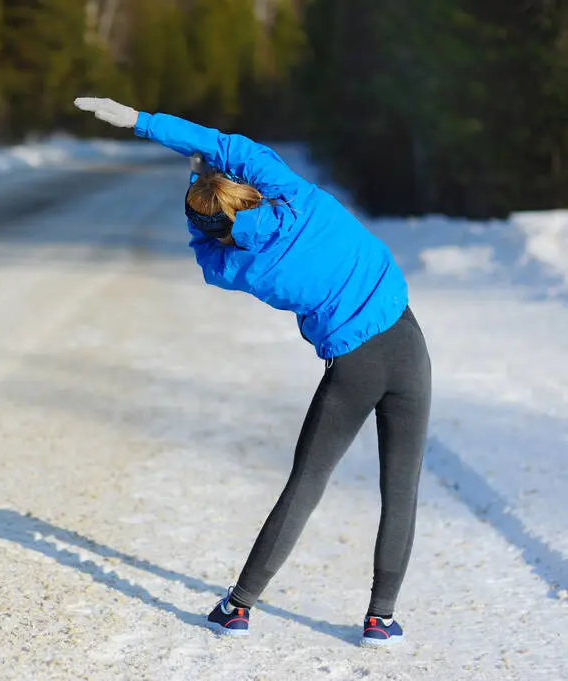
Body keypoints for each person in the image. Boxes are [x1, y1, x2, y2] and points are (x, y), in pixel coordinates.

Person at [74, 97, 432, 648]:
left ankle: (237, 608)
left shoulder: (233, 265)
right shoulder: (296, 197)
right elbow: (223, 145)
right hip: (408, 348)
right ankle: (380, 620)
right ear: (247, 188)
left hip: (353, 366)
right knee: (401, 489)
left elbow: (204, 247)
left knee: (306, 484)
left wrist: (198, 207)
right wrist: (147, 124)